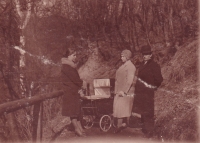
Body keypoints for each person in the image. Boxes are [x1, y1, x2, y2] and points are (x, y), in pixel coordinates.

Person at [132, 45, 163, 138]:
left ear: (151, 55)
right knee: (142, 111)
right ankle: (145, 130)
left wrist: (152, 87)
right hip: (140, 93)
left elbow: (159, 79)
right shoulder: (141, 65)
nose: (145, 56)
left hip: (148, 93)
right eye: (144, 54)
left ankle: (150, 132)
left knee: (148, 112)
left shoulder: (154, 65)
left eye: (147, 54)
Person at [61, 48, 85, 137]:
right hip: (70, 92)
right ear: (68, 56)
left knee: (76, 111)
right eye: (73, 55)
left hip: (73, 91)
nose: (75, 57)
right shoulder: (67, 67)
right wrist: (81, 83)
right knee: (73, 112)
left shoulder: (70, 66)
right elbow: (75, 79)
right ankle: (77, 129)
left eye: (75, 55)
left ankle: (80, 129)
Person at [113, 49, 136, 133]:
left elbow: (129, 81)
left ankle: (119, 126)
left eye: (123, 56)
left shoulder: (131, 67)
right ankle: (123, 124)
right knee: (120, 108)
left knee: (121, 108)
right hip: (119, 90)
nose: (121, 57)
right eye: (121, 56)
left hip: (126, 91)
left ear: (127, 57)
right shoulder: (123, 65)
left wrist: (124, 91)